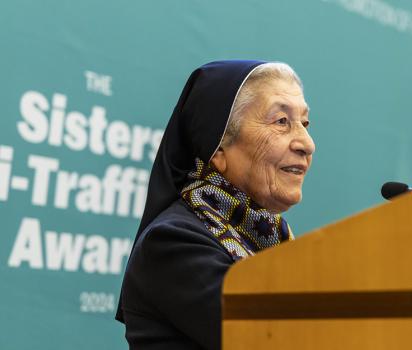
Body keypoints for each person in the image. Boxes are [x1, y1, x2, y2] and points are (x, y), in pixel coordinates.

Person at [116, 60, 315, 350]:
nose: (306, 143)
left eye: (305, 123)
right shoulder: (173, 242)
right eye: (281, 121)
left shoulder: (266, 238)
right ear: (218, 149)